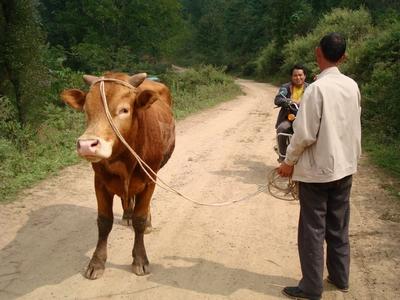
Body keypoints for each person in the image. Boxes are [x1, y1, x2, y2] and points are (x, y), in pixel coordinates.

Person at [278, 32, 362, 300]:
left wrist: (288, 162)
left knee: (312, 229)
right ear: (344, 57)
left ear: (318, 53)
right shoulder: (352, 86)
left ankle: (311, 288)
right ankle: (340, 278)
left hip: (317, 173)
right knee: (338, 225)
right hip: (345, 168)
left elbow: (303, 135)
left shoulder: (316, 89)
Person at [274, 64, 309, 162]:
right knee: (281, 129)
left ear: (304, 76)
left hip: (305, 119)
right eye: (295, 75)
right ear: (291, 77)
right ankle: (283, 156)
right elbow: (278, 98)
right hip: (289, 118)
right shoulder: (285, 87)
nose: (298, 77)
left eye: (300, 75)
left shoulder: (310, 88)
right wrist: (289, 101)